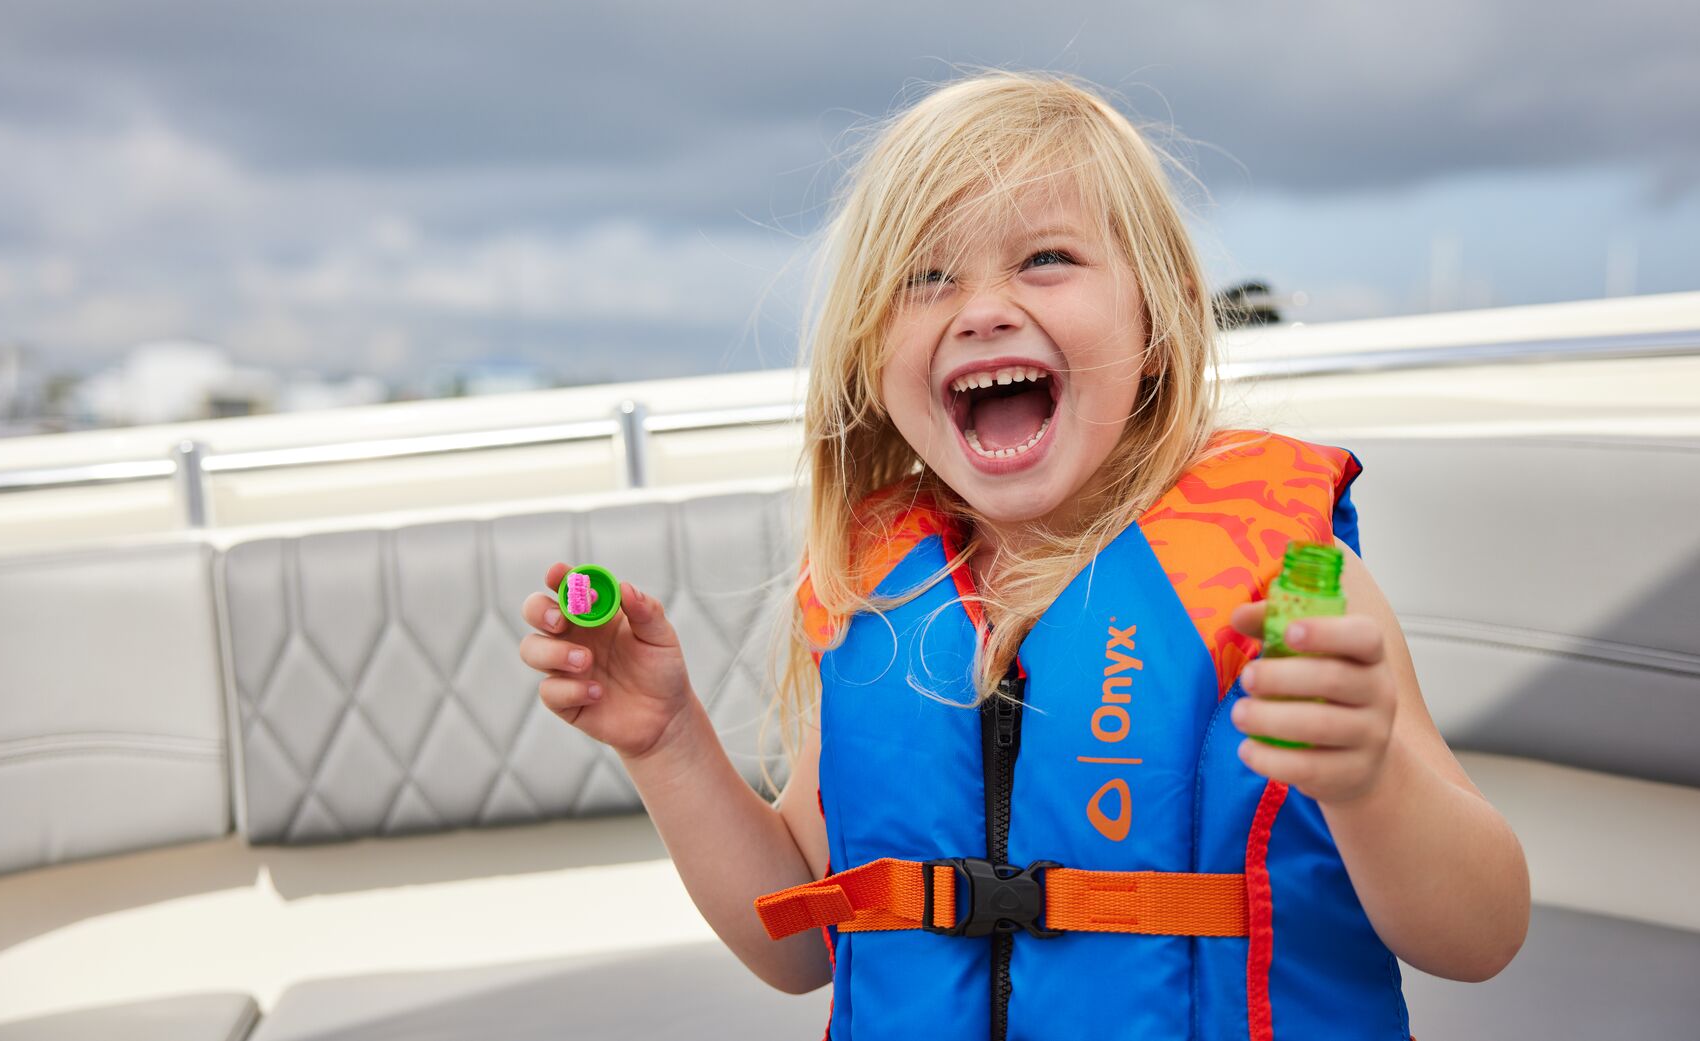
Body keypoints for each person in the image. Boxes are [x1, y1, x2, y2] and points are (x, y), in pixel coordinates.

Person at [518, 71, 1529, 1038]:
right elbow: (799, 945)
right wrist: (668, 741)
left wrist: (1368, 782)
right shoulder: (881, 603)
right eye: (925, 277)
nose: (983, 306)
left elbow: (1482, 936)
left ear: (1159, 318)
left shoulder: (1292, 590)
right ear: (873, 355)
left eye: (1045, 259)